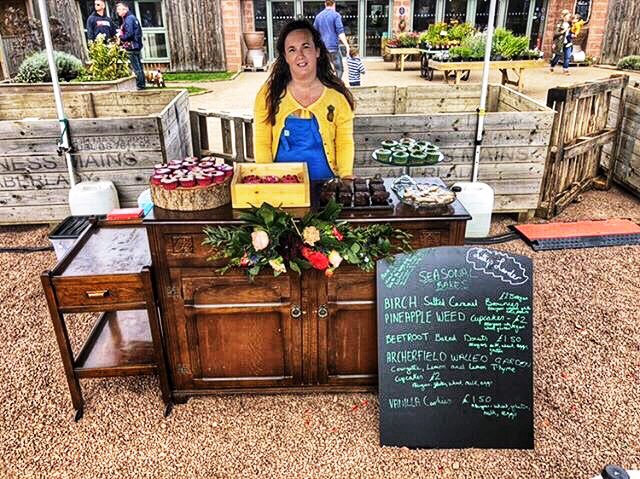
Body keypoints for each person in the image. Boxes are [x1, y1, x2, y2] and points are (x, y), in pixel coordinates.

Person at [253, 20, 355, 181]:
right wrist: (267, 179)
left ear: (317, 51)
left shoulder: (338, 97)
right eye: (292, 50)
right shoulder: (269, 94)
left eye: (305, 46)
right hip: (282, 186)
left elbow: (344, 142)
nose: (300, 55)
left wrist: (346, 176)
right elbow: (262, 141)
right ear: (286, 57)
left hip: (326, 188)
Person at [313, 0, 350, 79]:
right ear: (334, 4)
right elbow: (340, 32)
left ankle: (326, 85)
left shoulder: (318, 16)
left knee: (324, 69)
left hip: (322, 48)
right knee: (339, 69)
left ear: (325, 4)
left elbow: (314, 33)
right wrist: (347, 45)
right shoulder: (336, 15)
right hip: (333, 47)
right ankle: (336, 85)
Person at [116, 1, 145, 89]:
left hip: (131, 46)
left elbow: (130, 34)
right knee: (139, 67)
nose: (118, 12)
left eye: (119, 9)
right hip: (136, 46)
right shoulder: (132, 18)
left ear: (124, 9)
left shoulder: (128, 19)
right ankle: (142, 84)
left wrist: (120, 37)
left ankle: (140, 85)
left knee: (136, 68)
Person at [550, 9, 573, 75]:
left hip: (568, 42)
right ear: (564, 16)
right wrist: (563, 31)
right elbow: (556, 33)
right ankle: (552, 65)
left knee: (567, 56)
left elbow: (571, 32)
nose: (569, 17)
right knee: (557, 56)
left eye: (569, 16)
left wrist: (572, 34)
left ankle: (565, 69)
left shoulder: (570, 23)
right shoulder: (560, 23)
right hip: (560, 42)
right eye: (568, 16)